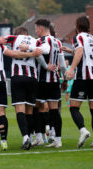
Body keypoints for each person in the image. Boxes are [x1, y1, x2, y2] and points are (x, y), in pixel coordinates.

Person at [0, 27, 51, 150]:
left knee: (15, 110)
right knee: (29, 111)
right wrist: (38, 58)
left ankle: (16, 136)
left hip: (10, 78)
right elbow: (43, 52)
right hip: (30, 78)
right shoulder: (35, 41)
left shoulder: (11, 39)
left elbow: (0, 43)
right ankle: (25, 138)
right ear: (27, 33)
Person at [20, 19, 66, 148]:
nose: (35, 31)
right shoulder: (57, 42)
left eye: (36, 28)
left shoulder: (42, 41)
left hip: (42, 80)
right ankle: (57, 139)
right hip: (55, 79)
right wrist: (65, 79)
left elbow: (44, 50)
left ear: (40, 28)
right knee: (54, 110)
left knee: (37, 108)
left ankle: (40, 137)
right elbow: (62, 64)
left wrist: (28, 47)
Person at [64, 16, 93, 148]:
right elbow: (85, 52)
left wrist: (71, 69)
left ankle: (83, 130)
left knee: (74, 107)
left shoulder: (78, 37)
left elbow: (80, 52)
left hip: (83, 76)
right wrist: (69, 50)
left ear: (77, 25)